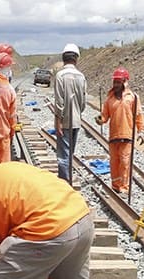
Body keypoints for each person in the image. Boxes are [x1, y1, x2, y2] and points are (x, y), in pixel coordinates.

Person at [94, 67, 144, 193]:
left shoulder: (132, 97)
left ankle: (124, 187)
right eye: (115, 82)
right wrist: (100, 119)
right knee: (114, 162)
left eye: (118, 82)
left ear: (125, 82)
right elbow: (105, 116)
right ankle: (115, 185)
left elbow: (138, 115)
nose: (116, 84)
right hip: (114, 136)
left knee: (125, 161)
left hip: (127, 135)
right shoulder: (109, 99)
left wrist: (141, 130)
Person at [53, 43, 86, 183]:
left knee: (63, 155)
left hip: (64, 121)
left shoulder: (60, 75)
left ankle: (65, 183)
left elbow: (59, 101)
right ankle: (68, 179)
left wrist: (58, 121)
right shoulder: (81, 76)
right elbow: (83, 101)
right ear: (76, 59)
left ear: (63, 58)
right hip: (76, 120)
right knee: (70, 153)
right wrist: (78, 113)